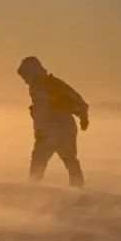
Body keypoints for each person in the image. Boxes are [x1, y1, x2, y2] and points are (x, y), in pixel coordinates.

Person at [16, 57, 89, 187]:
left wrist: (40, 131)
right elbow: (78, 101)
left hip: (54, 131)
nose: (25, 80)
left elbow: (43, 112)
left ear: (31, 72)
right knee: (69, 160)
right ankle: (78, 188)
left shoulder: (43, 86)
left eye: (25, 76)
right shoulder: (49, 84)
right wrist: (83, 117)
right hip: (62, 129)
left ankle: (33, 188)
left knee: (40, 161)